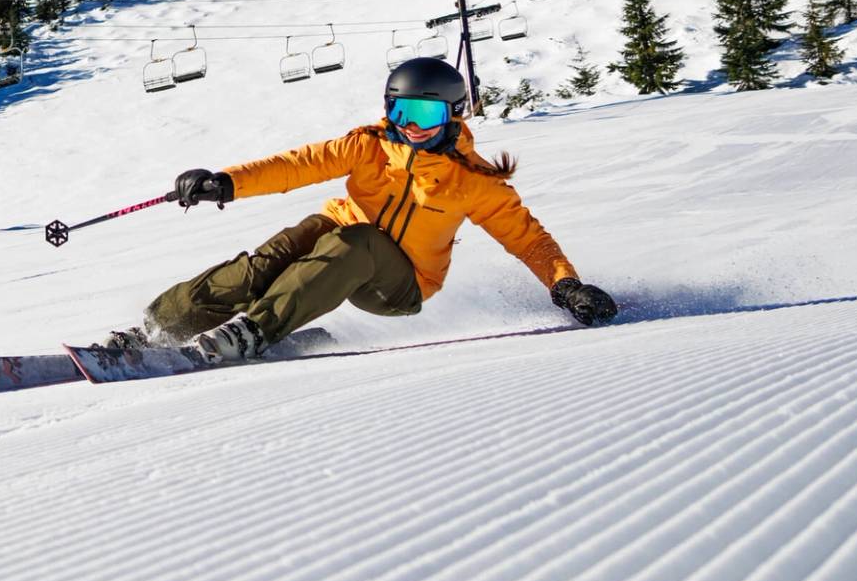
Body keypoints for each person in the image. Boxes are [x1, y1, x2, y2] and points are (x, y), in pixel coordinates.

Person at [107, 57, 617, 360]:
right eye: (400, 111)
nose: (410, 124)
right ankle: (157, 327)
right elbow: (297, 165)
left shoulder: (475, 182)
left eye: (424, 112)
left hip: (401, 283)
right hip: (338, 235)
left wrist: (565, 285)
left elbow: (527, 238)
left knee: (359, 242)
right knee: (264, 263)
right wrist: (226, 183)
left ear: (453, 113)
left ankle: (254, 330)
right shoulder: (369, 145)